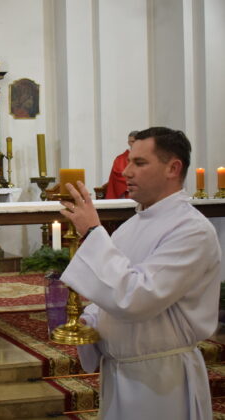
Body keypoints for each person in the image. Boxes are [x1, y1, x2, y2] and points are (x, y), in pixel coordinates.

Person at [59, 127, 221, 419]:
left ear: (173, 168)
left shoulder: (191, 230)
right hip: (120, 372)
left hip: (162, 380)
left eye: (139, 163)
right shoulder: (131, 226)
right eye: (129, 161)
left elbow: (137, 298)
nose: (126, 171)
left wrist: (93, 232)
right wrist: (89, 319)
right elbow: (114, 289)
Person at [105, 130, 138, 199]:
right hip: (126, 194)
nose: (134, 143)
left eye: (136, 141)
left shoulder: (147, 157)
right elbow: (118, 176)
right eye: (132, 141)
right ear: (128, 142)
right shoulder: (120, 159)